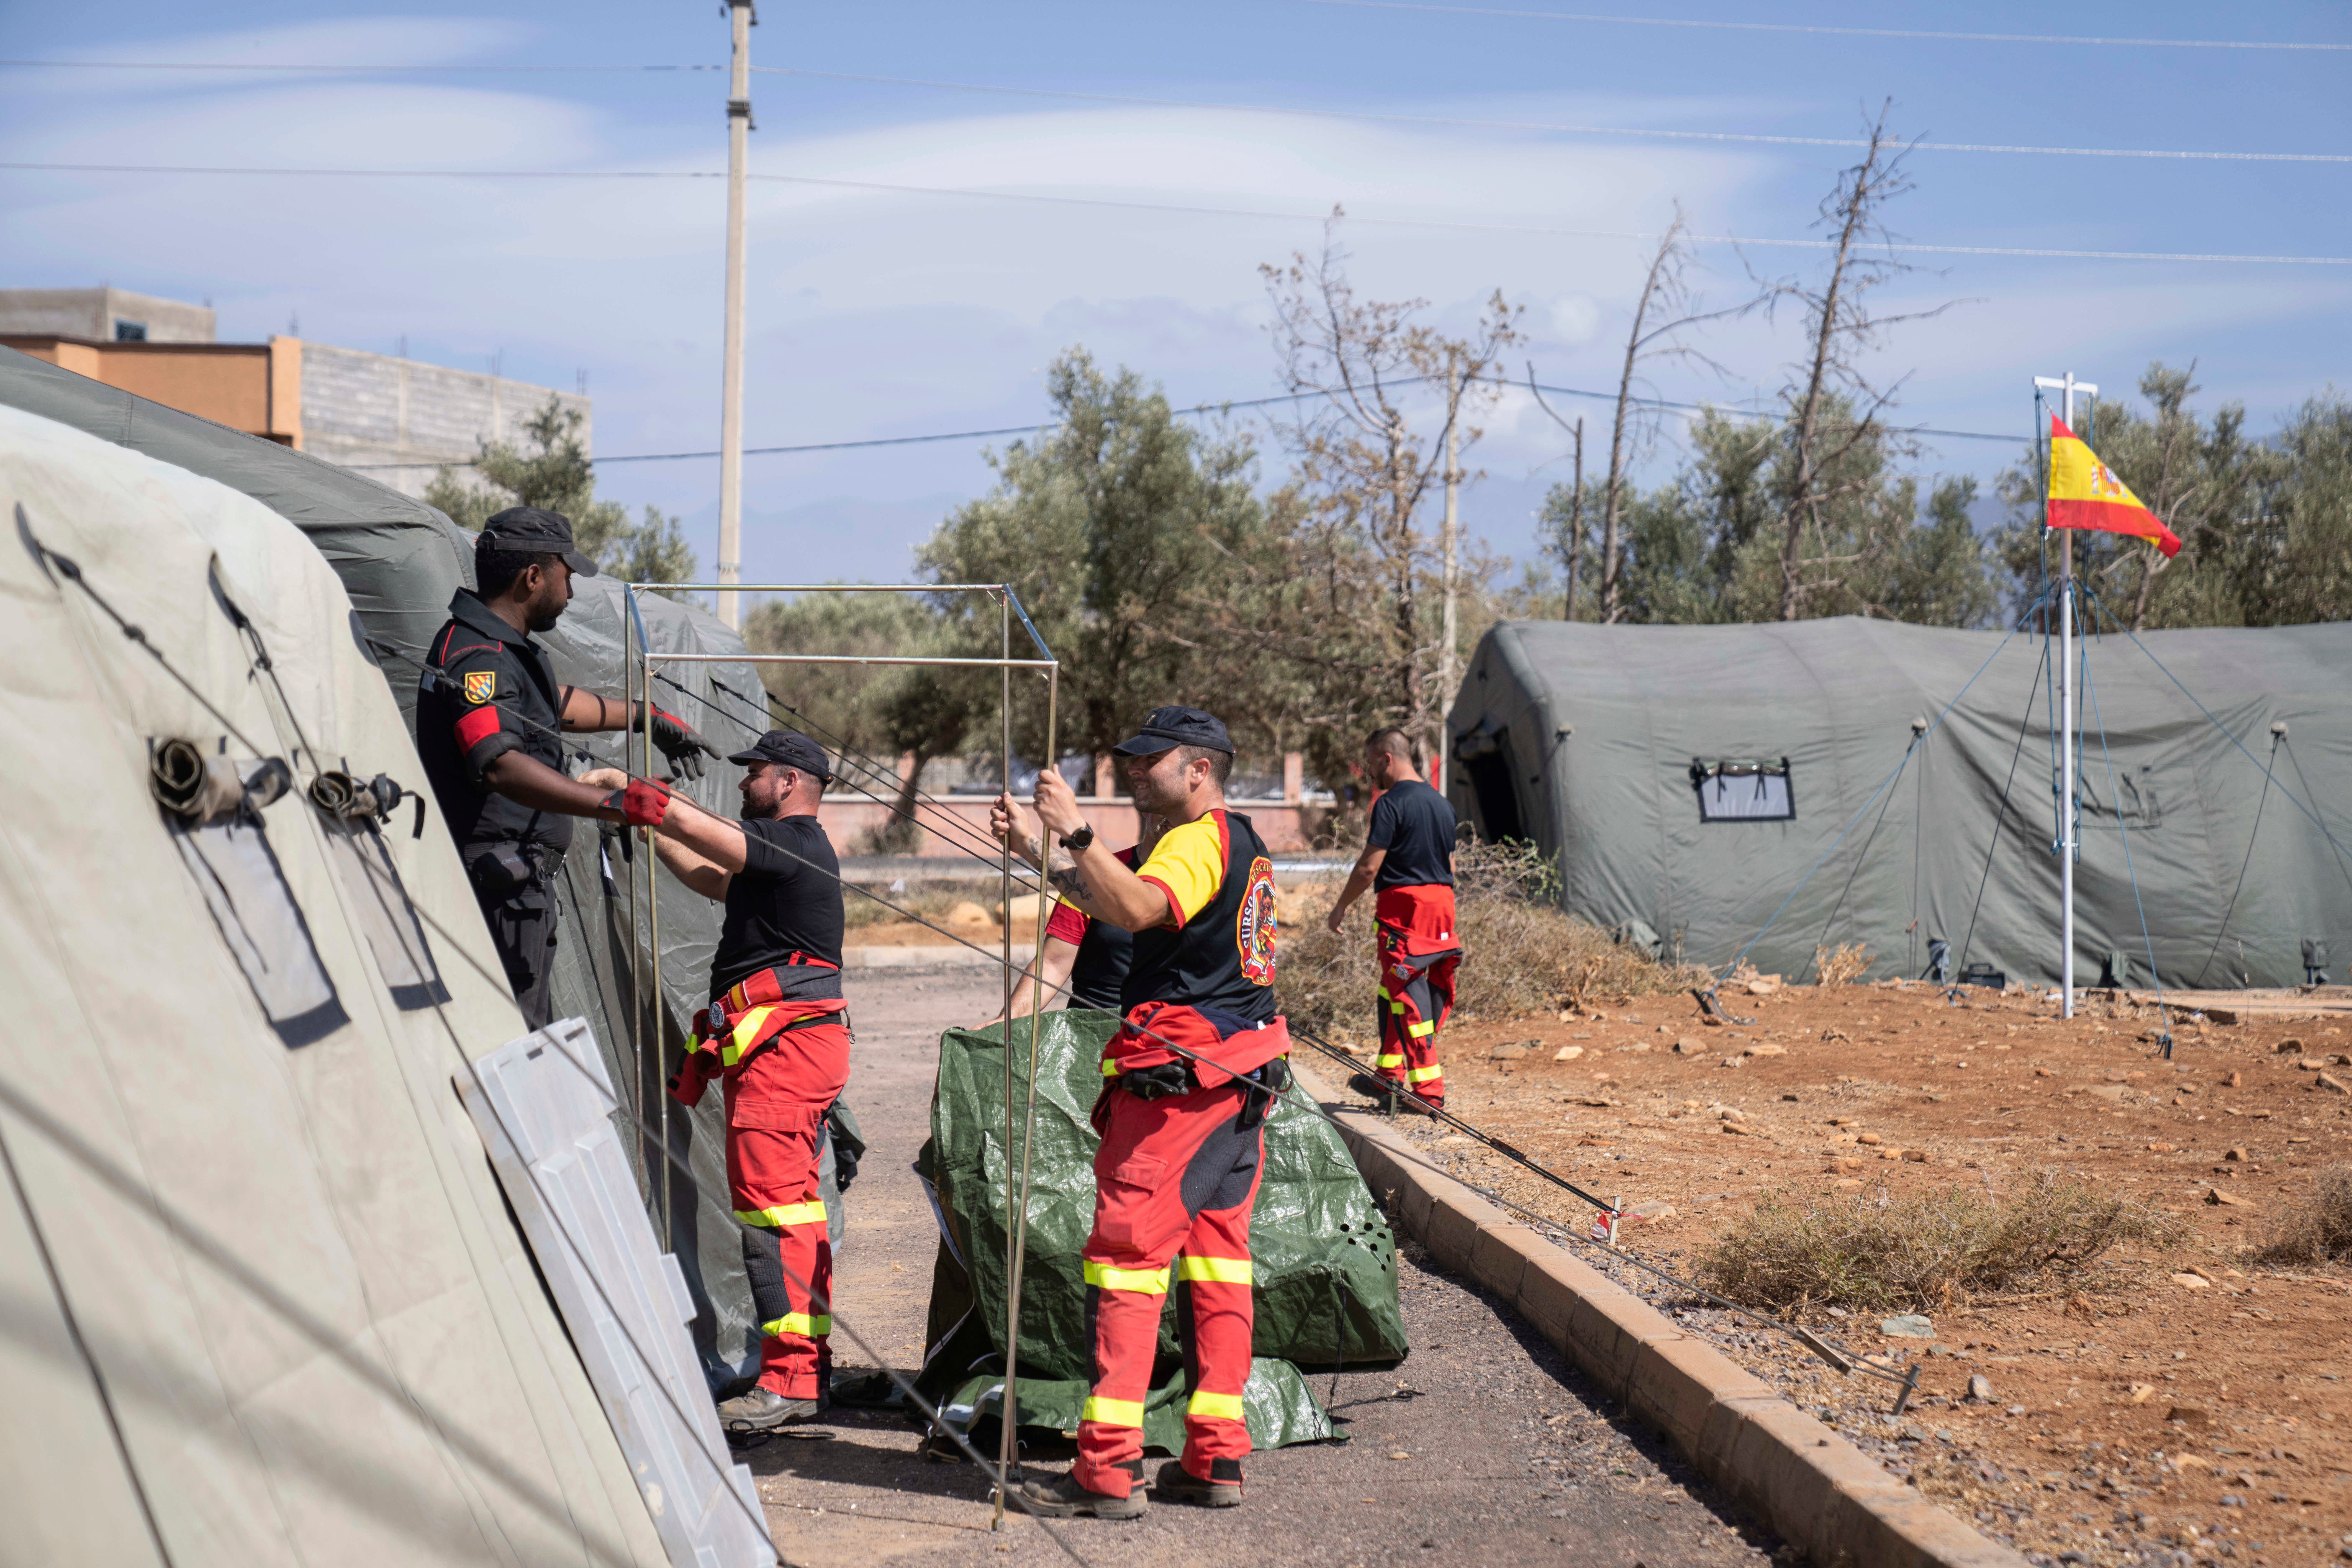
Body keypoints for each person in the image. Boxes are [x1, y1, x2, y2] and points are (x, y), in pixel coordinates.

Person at [991, 707, 1289, 1520]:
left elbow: (1135, 911)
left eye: (1148, 760)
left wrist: (1077, 833)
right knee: (1216, 1267)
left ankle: (1106, 1472)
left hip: (1180, 1092)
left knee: (1123, 1265)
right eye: (1128, 758)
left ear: (1198, 769)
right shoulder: (1229, 841)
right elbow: (1100, 894)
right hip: (1241, 1080)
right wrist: (1036, 847)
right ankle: (1215, 1459)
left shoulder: (1194, 842)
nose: (1131, 769)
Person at [583, 730, 850, 1434]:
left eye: (754, 772)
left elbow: (705, 829)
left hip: (785, 1051)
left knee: (774, 1213)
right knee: (787, 1209)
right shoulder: (781, 857)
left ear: (790, 781)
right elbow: (705, 871)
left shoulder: (793, 840)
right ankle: (804, 1368)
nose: (743, 782)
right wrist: (643, 828)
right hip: (784, 1048)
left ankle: (790, 1378)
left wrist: (628, 790)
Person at [417, 507, 717, 1028]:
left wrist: (644, 717)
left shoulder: (494, 648)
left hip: (514, 888)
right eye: (567, 575)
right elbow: (498, 765)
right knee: (513, 1037)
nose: (572, 592)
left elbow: (548, 704)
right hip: (500, 892)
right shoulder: (479, 657)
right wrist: (615, 803)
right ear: (533, 577)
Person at [1324, 727, 1459, 1111]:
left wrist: (1341, 906)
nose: (1371, 773)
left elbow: (1369, 868)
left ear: (1387, 759)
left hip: (1405, 909)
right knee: (1396, 989)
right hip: (1442, 905)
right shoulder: (1442, 804)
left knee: (1408, 993)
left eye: (1371, 764)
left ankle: (1428, 1092)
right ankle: (1388, 1079)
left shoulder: (1390, 803)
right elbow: (1450, 865)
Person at [987, 814, 1164, 1026]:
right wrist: (1008, 1020)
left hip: (1177, 1035)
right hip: (1095, 1033)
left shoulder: (1212, 878)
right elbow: (1053, 963)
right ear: (1145, 806)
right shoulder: (1091, 878)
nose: (1175, 817)